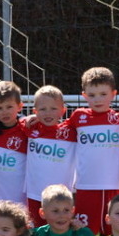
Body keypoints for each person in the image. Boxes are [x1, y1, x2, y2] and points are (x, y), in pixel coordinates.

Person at [69, 67, 119, 233]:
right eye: (92, 95)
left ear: (113, 94)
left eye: (103, 94)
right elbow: (56, 129)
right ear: (84, 95)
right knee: (85, 235)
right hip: (86, 187)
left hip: (115, 187)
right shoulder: (78, 117)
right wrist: (34, 119)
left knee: (115, 234)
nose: (97, 99)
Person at [23, 85, 76, 226]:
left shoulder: (71, 131)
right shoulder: (29, 127)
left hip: (61, 197)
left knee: (61, 232)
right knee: (35, 233)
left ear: (63, 110)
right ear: (35, 111)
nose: (48, 113)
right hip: (34, 194)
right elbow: (7, 124)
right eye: (42, 109)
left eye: (53, 109)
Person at [0, 80, 29, 215]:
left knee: (19, 235)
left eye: (9, 107)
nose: (5, 112)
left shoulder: (26, 129)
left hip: (20, 201)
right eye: (0, 108)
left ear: (20, 106)